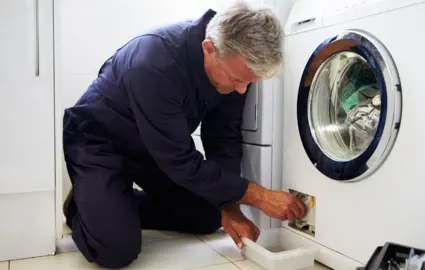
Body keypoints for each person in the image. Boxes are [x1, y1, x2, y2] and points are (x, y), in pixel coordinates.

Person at [62, 2, 306, 269]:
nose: (241, 90)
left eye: (249, 82)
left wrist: (231, 206)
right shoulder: (154, 62)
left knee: (208, 216)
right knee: (115, 250)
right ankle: (83, 207)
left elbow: (222, 137)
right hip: (100, 142)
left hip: (153, 148)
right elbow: (179, 161)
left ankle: (117, 206)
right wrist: (256, 194)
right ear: (209, 48)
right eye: (237, 80)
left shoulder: (233, 64)